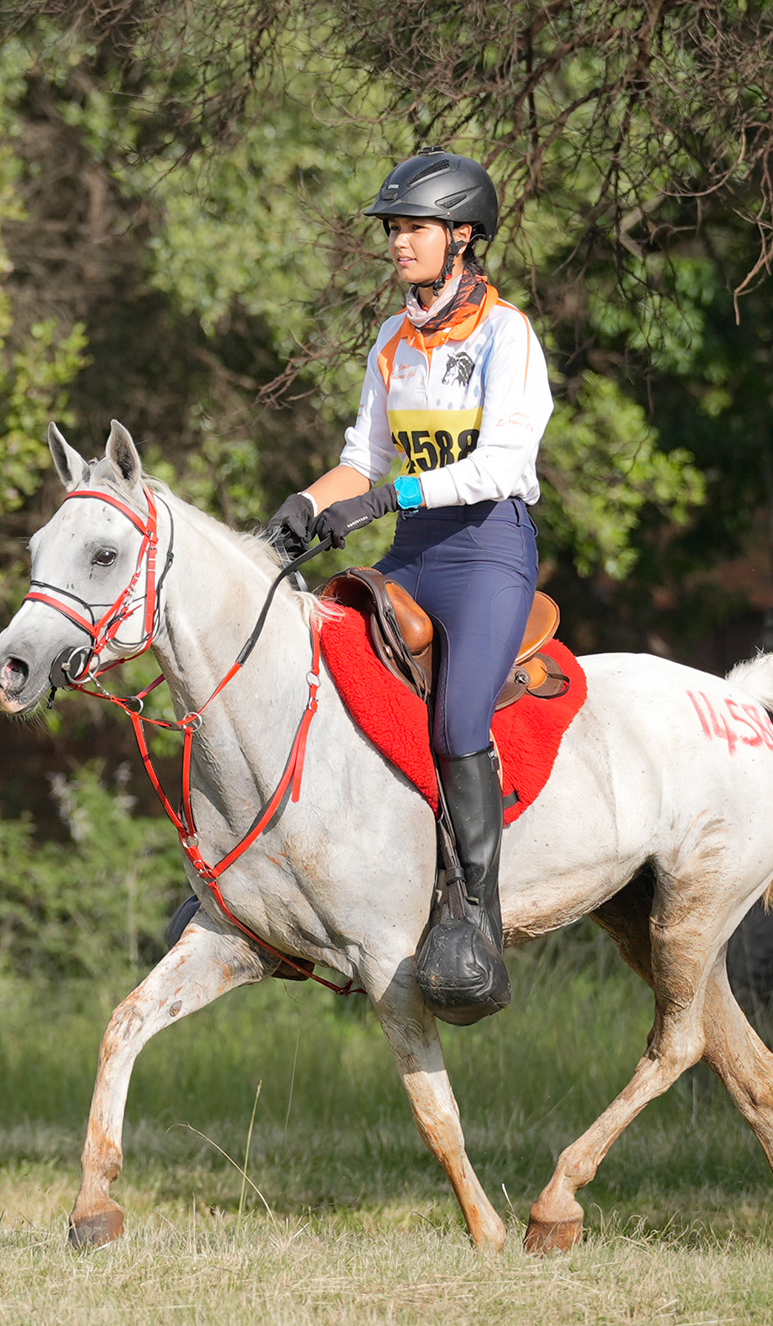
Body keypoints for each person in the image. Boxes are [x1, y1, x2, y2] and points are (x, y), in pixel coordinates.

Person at [265, 149, 553, 1024]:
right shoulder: (393, 339)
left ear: (463, 237)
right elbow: (364, 460)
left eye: (414, 228)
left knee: (461, 721)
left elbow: (502, 463)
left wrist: (391, 497)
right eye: (394, 228)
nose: (398, 242)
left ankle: (477, 922)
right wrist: (303, 508)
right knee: (311, 664)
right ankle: (273, 886)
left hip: (487, 554)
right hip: (416, 549)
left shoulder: (507, 335)